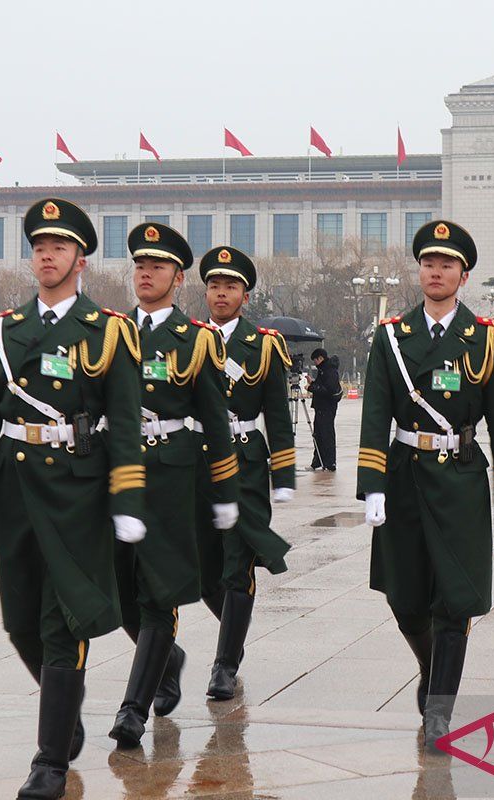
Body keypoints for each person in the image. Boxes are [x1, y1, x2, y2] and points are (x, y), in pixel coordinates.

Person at [0, 198, 145, 800]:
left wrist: (128, 499)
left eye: (59, 247)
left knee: (63, 621)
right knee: (19, 623)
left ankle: (49, 761)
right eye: (39, 246)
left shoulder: (108, 330)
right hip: (15, 489)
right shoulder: (1, 331)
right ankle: (66, 710)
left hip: (78, 490)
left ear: (80, 258)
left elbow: (125, 423)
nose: (47, 255)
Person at [356, 219, 494, 748]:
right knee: (405, 599)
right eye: (429, 263)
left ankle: (440, 711)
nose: (436, 271)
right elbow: (376, 411)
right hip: (404, 474)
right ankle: (432, 674)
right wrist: (372, 484)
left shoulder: (487, 339)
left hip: (460, 478)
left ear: (463, 275)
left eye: (446, 264)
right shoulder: (392, 337)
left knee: (454, 601)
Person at [109, 223, 239, 748]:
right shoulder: (110, 332)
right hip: (118, 473)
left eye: (158, 266)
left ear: (177, 277)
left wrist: (226, 492)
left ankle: (132, 710)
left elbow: (216, 420)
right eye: (140, 264)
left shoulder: (197, 340)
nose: (146, 272)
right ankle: (169, 658)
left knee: (159, 594)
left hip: (172, 473)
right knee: (120, 594)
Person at [196, 245, 296, 701]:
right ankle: (234, 630)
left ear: (245, 295)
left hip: (244, 460)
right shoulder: (187, 338)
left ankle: (225, 663)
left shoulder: (263, 345)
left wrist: (286, 475)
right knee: (203, 570)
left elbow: (278, 414)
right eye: (215, 285)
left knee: (238, 565)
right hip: (195, 459)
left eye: (230, 286)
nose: (221, 293)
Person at [307, 347, 341, 471]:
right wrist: (313, 383)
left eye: (315, 360)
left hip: (327, 408)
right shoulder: (323, 370)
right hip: (320, 408)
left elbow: (328, 390)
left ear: (320, 358)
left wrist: (311, 388)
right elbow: (322, 386)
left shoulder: (329, 370)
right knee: (318, 435)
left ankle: (330, 462)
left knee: (326, 435)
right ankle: (318, 461)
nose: (315, 363)